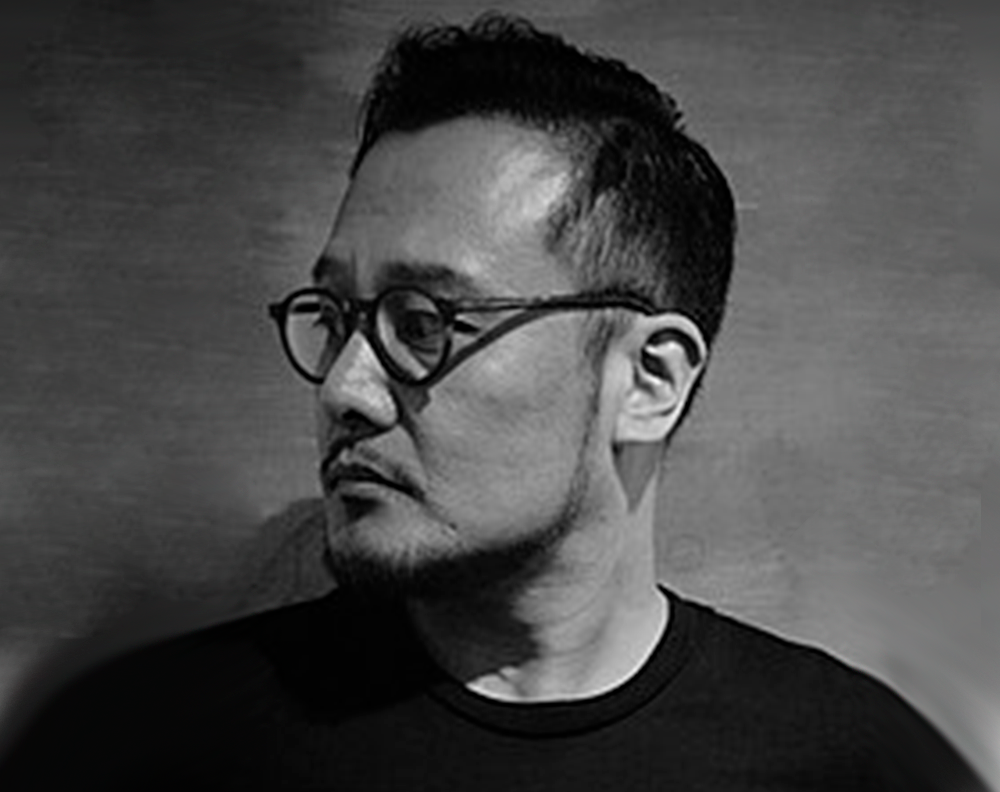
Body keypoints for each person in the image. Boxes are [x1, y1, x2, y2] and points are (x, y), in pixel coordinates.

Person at [0, 13, 990, 791]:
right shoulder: (141, 741)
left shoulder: (853, 763)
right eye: (336, 316)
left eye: (424, 322)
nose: (344, 387)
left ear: (649, 381)